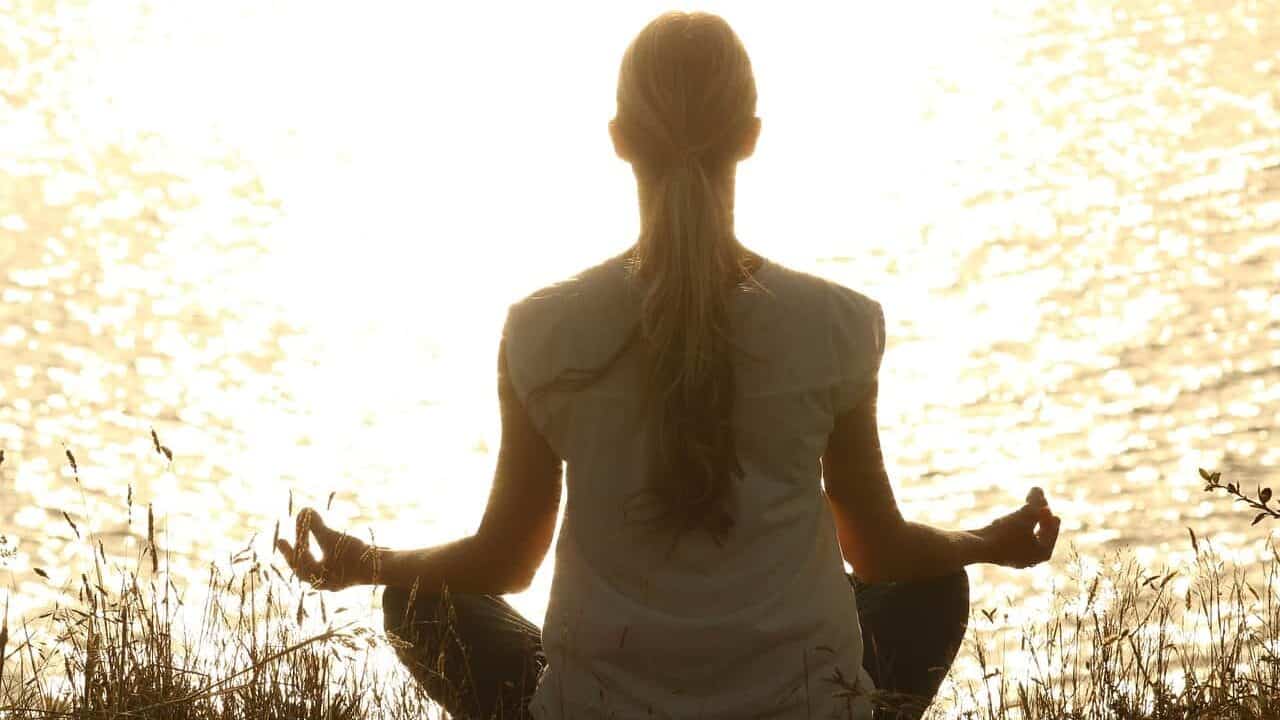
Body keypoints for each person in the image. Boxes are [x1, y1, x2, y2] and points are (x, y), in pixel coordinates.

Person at [275, 10, 1062, 720]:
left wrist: (364, 563)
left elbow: (506, 561)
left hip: (598, 711)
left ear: (618, 137)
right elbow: (880, 551)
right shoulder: (837, 324)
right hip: (801, 708)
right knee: (931, 580)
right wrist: (984, 543)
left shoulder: (541, 330)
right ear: (751, 135)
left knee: (417, 601)